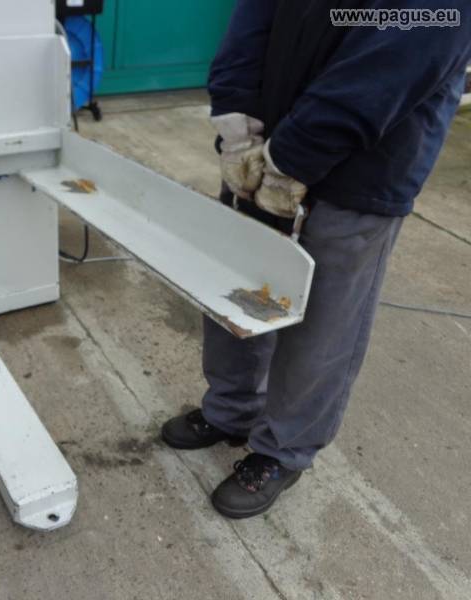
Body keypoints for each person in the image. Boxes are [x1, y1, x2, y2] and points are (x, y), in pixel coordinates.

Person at [162, 0, 471, 518]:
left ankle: (282, 449)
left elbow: (400, 54)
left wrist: (293, 156)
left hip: (365, 163)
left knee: (323, 323)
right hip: (262, 145)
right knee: (236, 288)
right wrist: (238, 125)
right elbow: (253, 18)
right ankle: (231, 409)